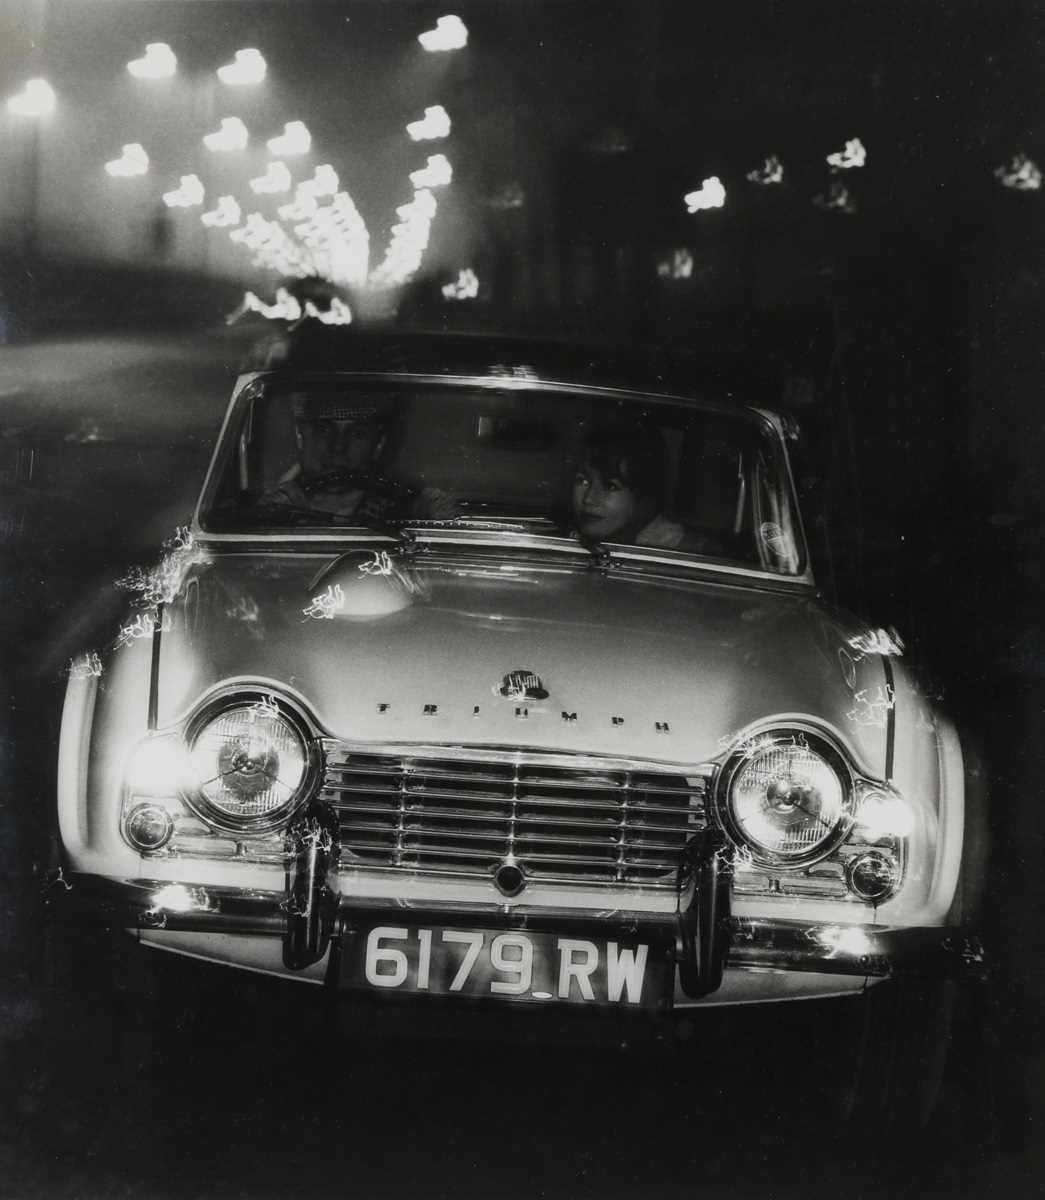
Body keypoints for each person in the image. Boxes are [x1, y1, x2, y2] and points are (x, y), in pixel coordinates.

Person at [263, 392, 456, 521]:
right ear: (300, 434)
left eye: (357, 434)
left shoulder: (407, 511)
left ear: (378, 444)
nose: (338, 447)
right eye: (323, 430)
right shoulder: (270, 508)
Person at [570, 426, 718, 553]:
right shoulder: (568, 538)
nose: (588, 499)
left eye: (610, 486)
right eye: (582, 481)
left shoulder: (690, 552)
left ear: (645, 497)